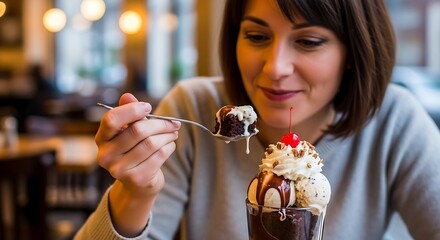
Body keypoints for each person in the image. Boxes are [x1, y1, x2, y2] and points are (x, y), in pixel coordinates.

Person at [75, 0, 440, 239]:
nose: (275, 68)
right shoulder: (193, 109)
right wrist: (135, 193)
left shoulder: (394, 122)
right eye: (256, 35)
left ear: (353, 51)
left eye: (309, 41)